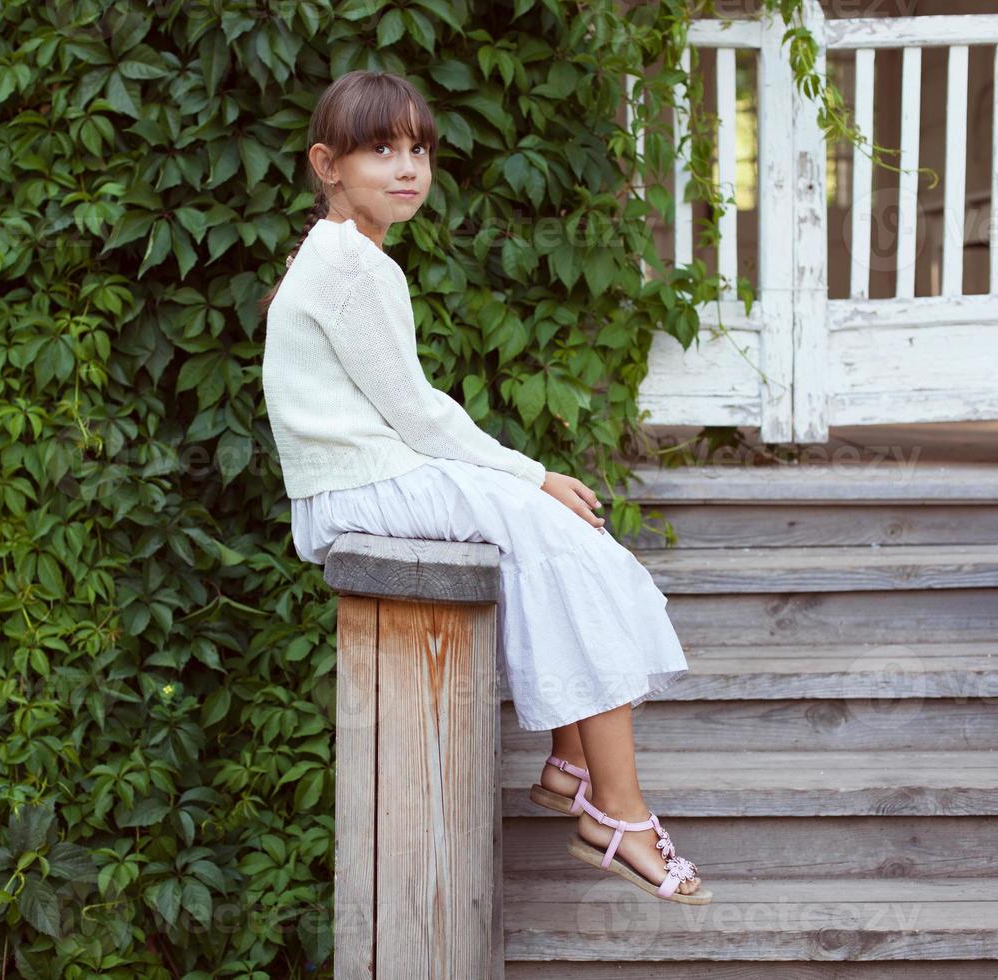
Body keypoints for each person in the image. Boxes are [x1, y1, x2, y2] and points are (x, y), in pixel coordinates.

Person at [259, 70, 709, 904]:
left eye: (419, 150)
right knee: (565, 535)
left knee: (564, 543)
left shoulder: (346, 257)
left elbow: (411, 420)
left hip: (359, 479)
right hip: (361, 484)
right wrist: (534, 475)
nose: (408, 168)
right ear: (327, 163)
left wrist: (526, 486)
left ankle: (578, 764)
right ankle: (616, 808)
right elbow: (421, 418)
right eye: (381, 149)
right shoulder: (352, 267)